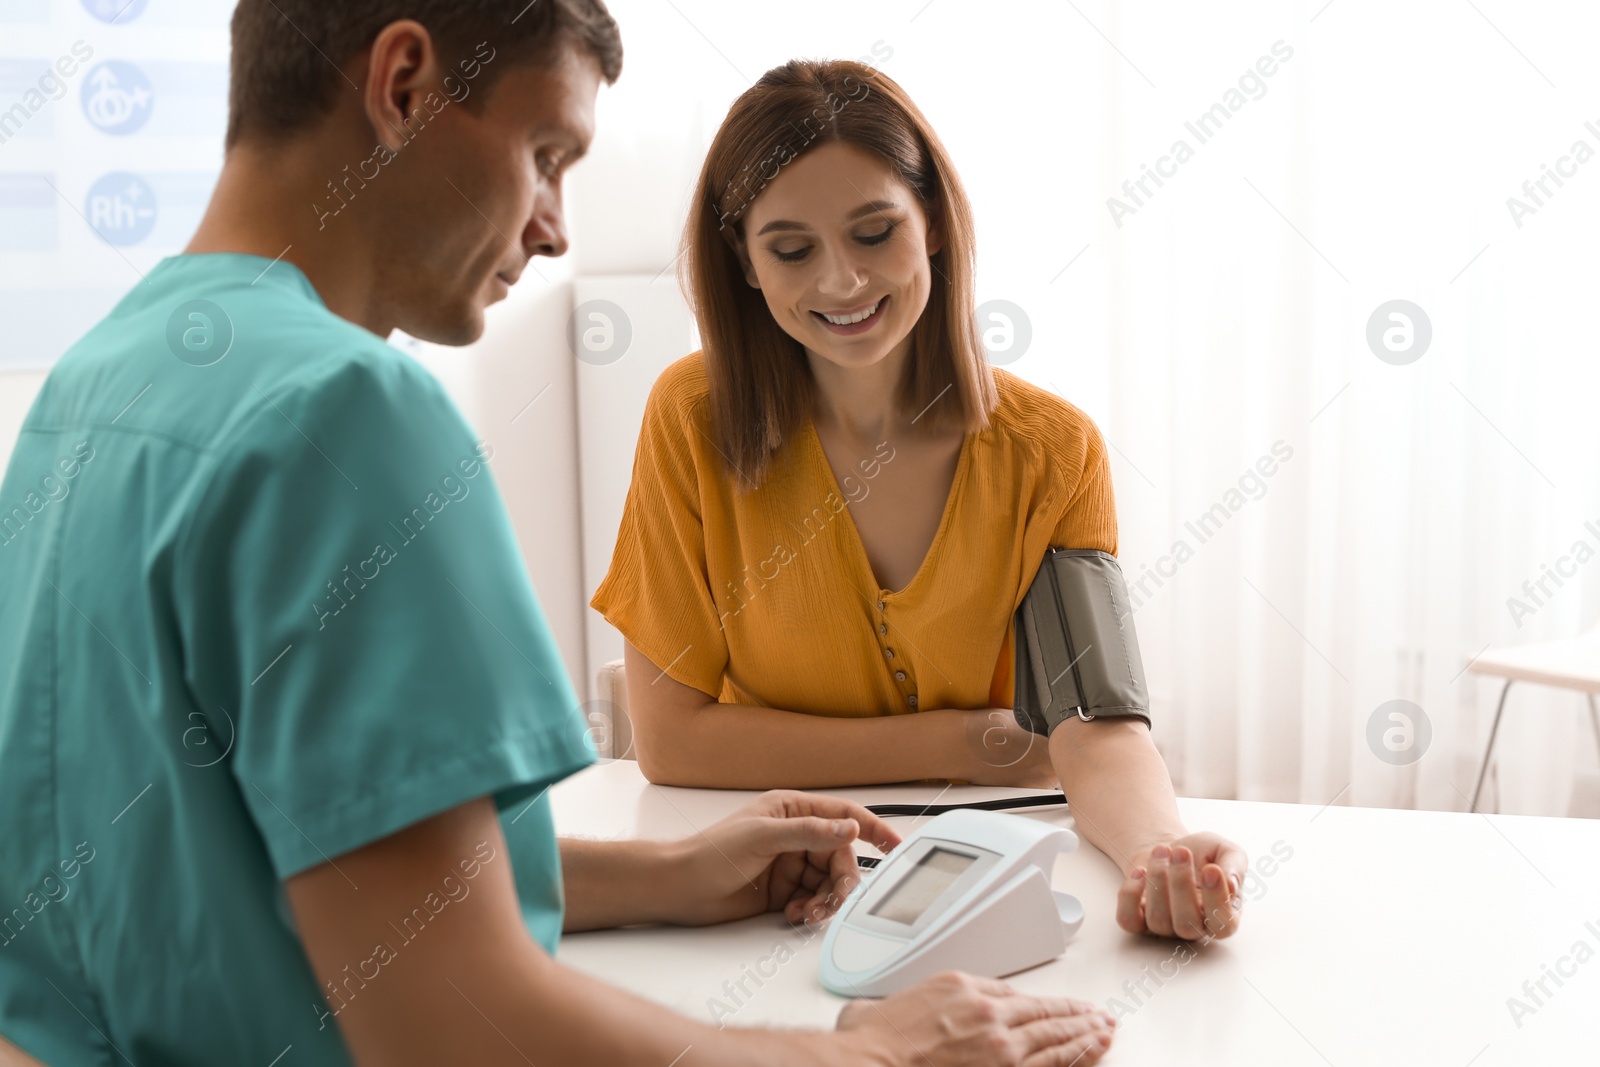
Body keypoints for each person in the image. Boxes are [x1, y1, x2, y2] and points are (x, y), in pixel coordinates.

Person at [0, 2, 1120, 1064]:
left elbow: (260, 863)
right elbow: (452, 1018)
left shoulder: (92, 383)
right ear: (402, 85)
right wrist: (863, 1050)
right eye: (546, 153)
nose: (551, 229)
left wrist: (667, 873)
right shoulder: (345, 415)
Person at [590, 58, 1249, 945]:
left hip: (982, 876)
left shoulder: (1054, 451)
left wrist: (1161, 852)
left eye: (874, 232)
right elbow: (672, 742)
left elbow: (1091, 724)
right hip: (760, 877)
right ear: (743, 262)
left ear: (932, 222)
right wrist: (966, 741)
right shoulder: (691, 418)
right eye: (791, 249)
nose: (842, 282)